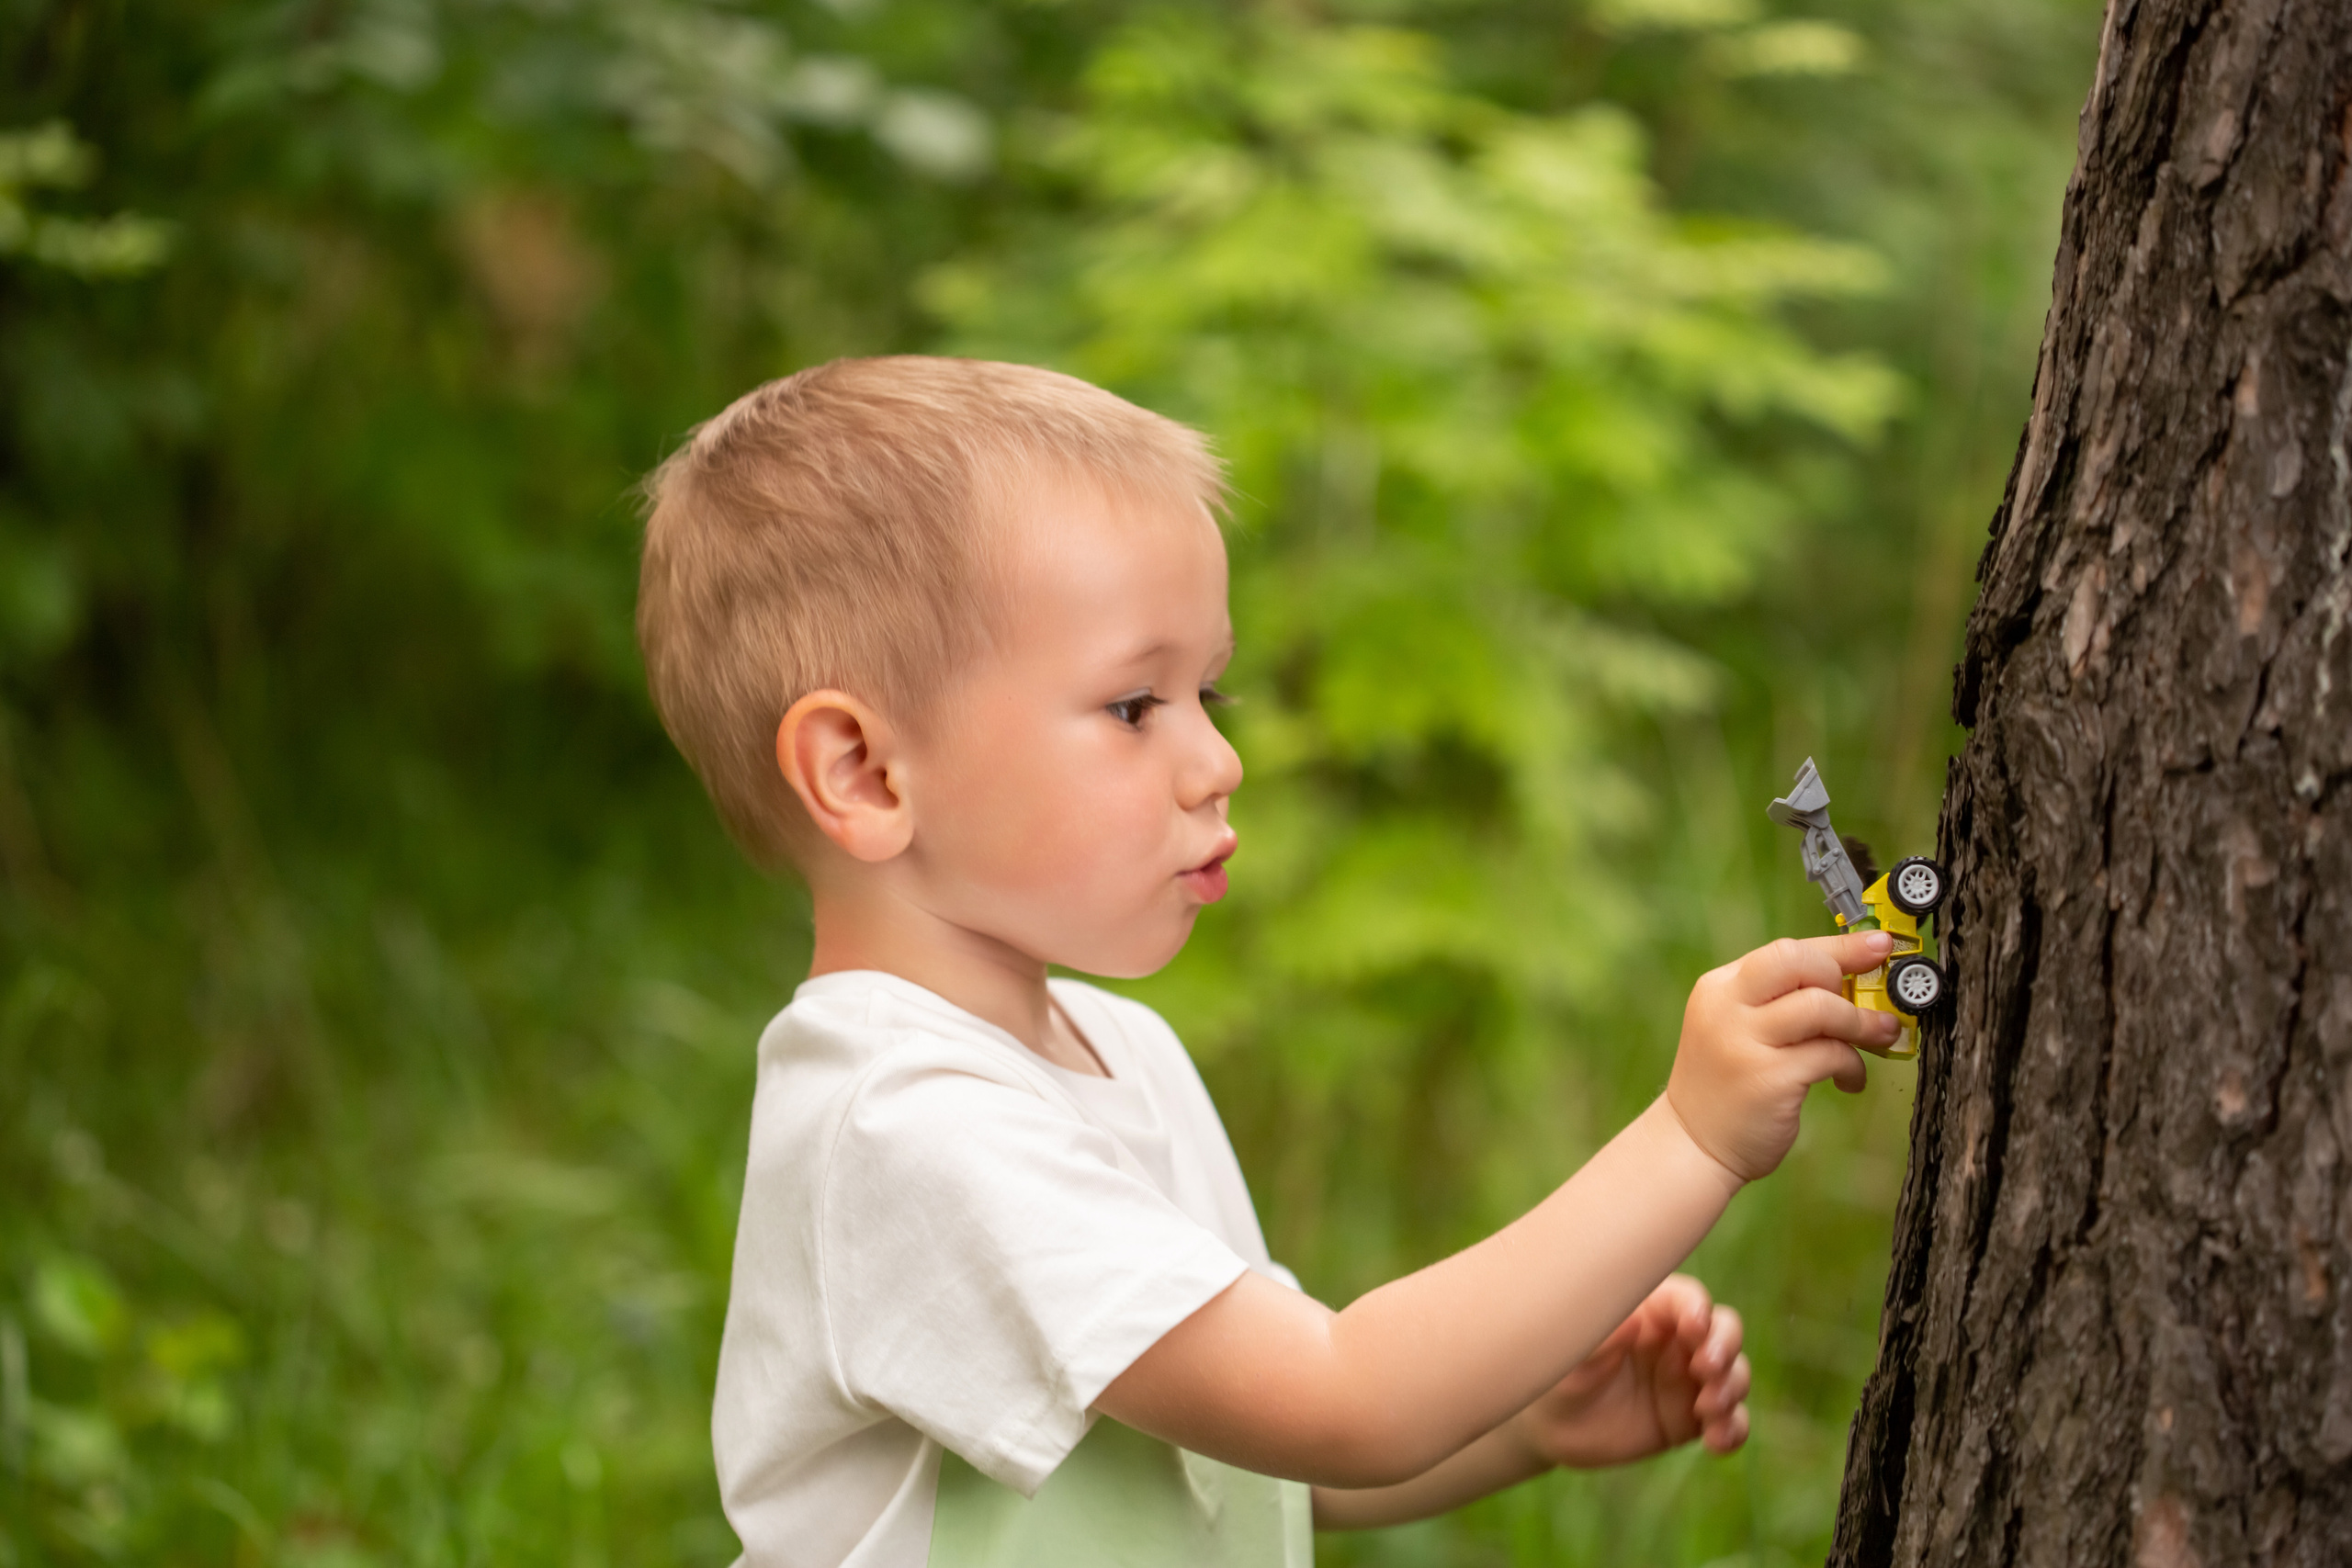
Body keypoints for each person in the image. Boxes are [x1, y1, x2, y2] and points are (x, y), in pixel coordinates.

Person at [635, 355, 1902, 1566]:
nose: (1217, 761)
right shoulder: (903, 1127)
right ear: (864, 772)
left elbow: (1259, 1450)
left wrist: (1525, 1424)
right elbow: (1342, 1397)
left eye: (1210, 697)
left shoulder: (1116, 1051)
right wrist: (1690, 1136)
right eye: (1136, 707)